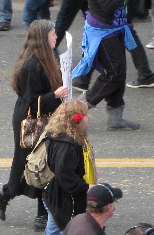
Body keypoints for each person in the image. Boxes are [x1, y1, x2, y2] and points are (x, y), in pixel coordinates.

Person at [0, 20, 68, 231]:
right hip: (31, 121)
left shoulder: (44, 58)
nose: (55, 38)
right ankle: (41, 213)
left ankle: (7, 196)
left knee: (35, 164)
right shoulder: (32, 65)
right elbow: (31, 100)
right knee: (39, 165)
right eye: (52, 34)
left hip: (40, 118)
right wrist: (55, 95)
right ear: (43, 38)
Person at [72, 0, 141, 130]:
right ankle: (79, 108)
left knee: (119, 73)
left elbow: (123, 3)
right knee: (114, 74)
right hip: (102, 33)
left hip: (114, 30)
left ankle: (116, 118)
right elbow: (109, 7)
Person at [41, 99, 95, 234]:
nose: (89, 117)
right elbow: (64, 173)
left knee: (53, 229)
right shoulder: (68, 146)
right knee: (61, 229)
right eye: (86, 114)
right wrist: (85, 187)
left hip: (54, 193)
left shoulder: (57, 136)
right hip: (63, 198)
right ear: (77, 119)